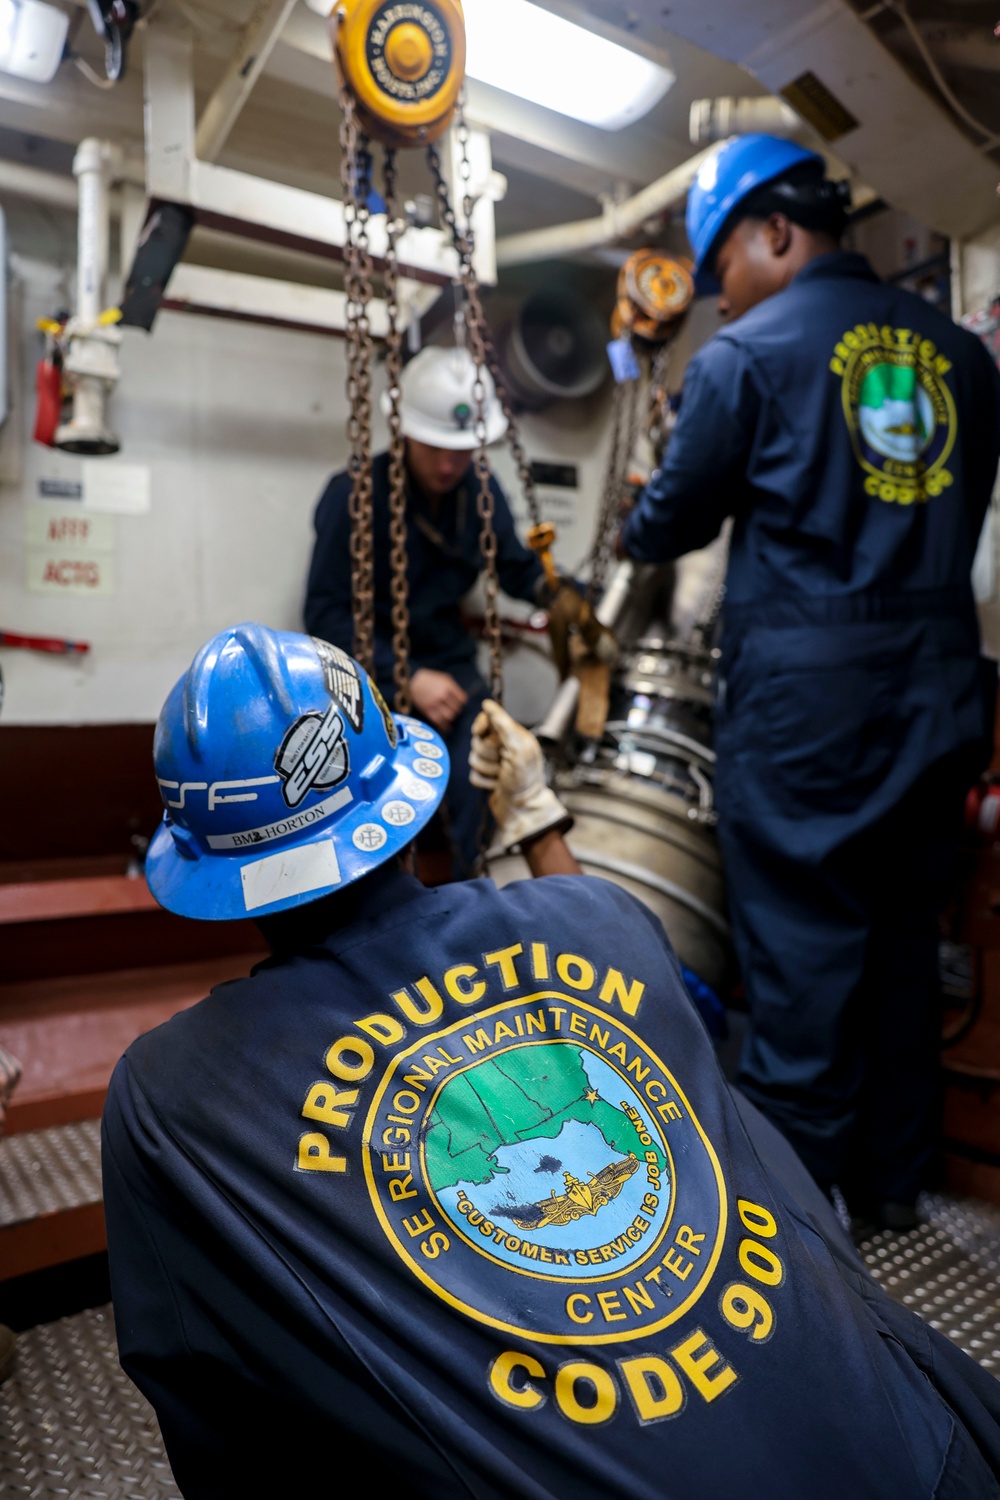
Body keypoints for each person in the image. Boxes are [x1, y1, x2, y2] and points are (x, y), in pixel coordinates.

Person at [104, 623, 1000, 1499]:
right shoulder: (603, 919)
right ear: (410, 809)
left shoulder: (173, 1098)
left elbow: (213, 1410)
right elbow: (637, 990)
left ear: (212, 872)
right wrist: (539, 822)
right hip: (919, 1448)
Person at [620, 134, 1000, 1229]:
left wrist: (656, 484)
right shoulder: (964, 361)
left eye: (719, 267)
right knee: (896, 950)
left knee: (795, 960)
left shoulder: (747, 358)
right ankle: (891, 1191)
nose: (717, 298)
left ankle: (790, 1235)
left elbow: (664, 526)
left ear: (774, 231)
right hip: (940, 691)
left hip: (808, 706)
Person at [304, 344, 545, 875]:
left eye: (461, 450)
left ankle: (476, 904)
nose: (447, 464)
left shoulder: (479, 492)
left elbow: (516, 568)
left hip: (454, 673)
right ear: (404, 429)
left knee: (481, 783)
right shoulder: (353, 496)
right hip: (372, 677)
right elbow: (324, 616)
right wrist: (405, 678)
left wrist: (562, 596)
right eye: (436, 446)